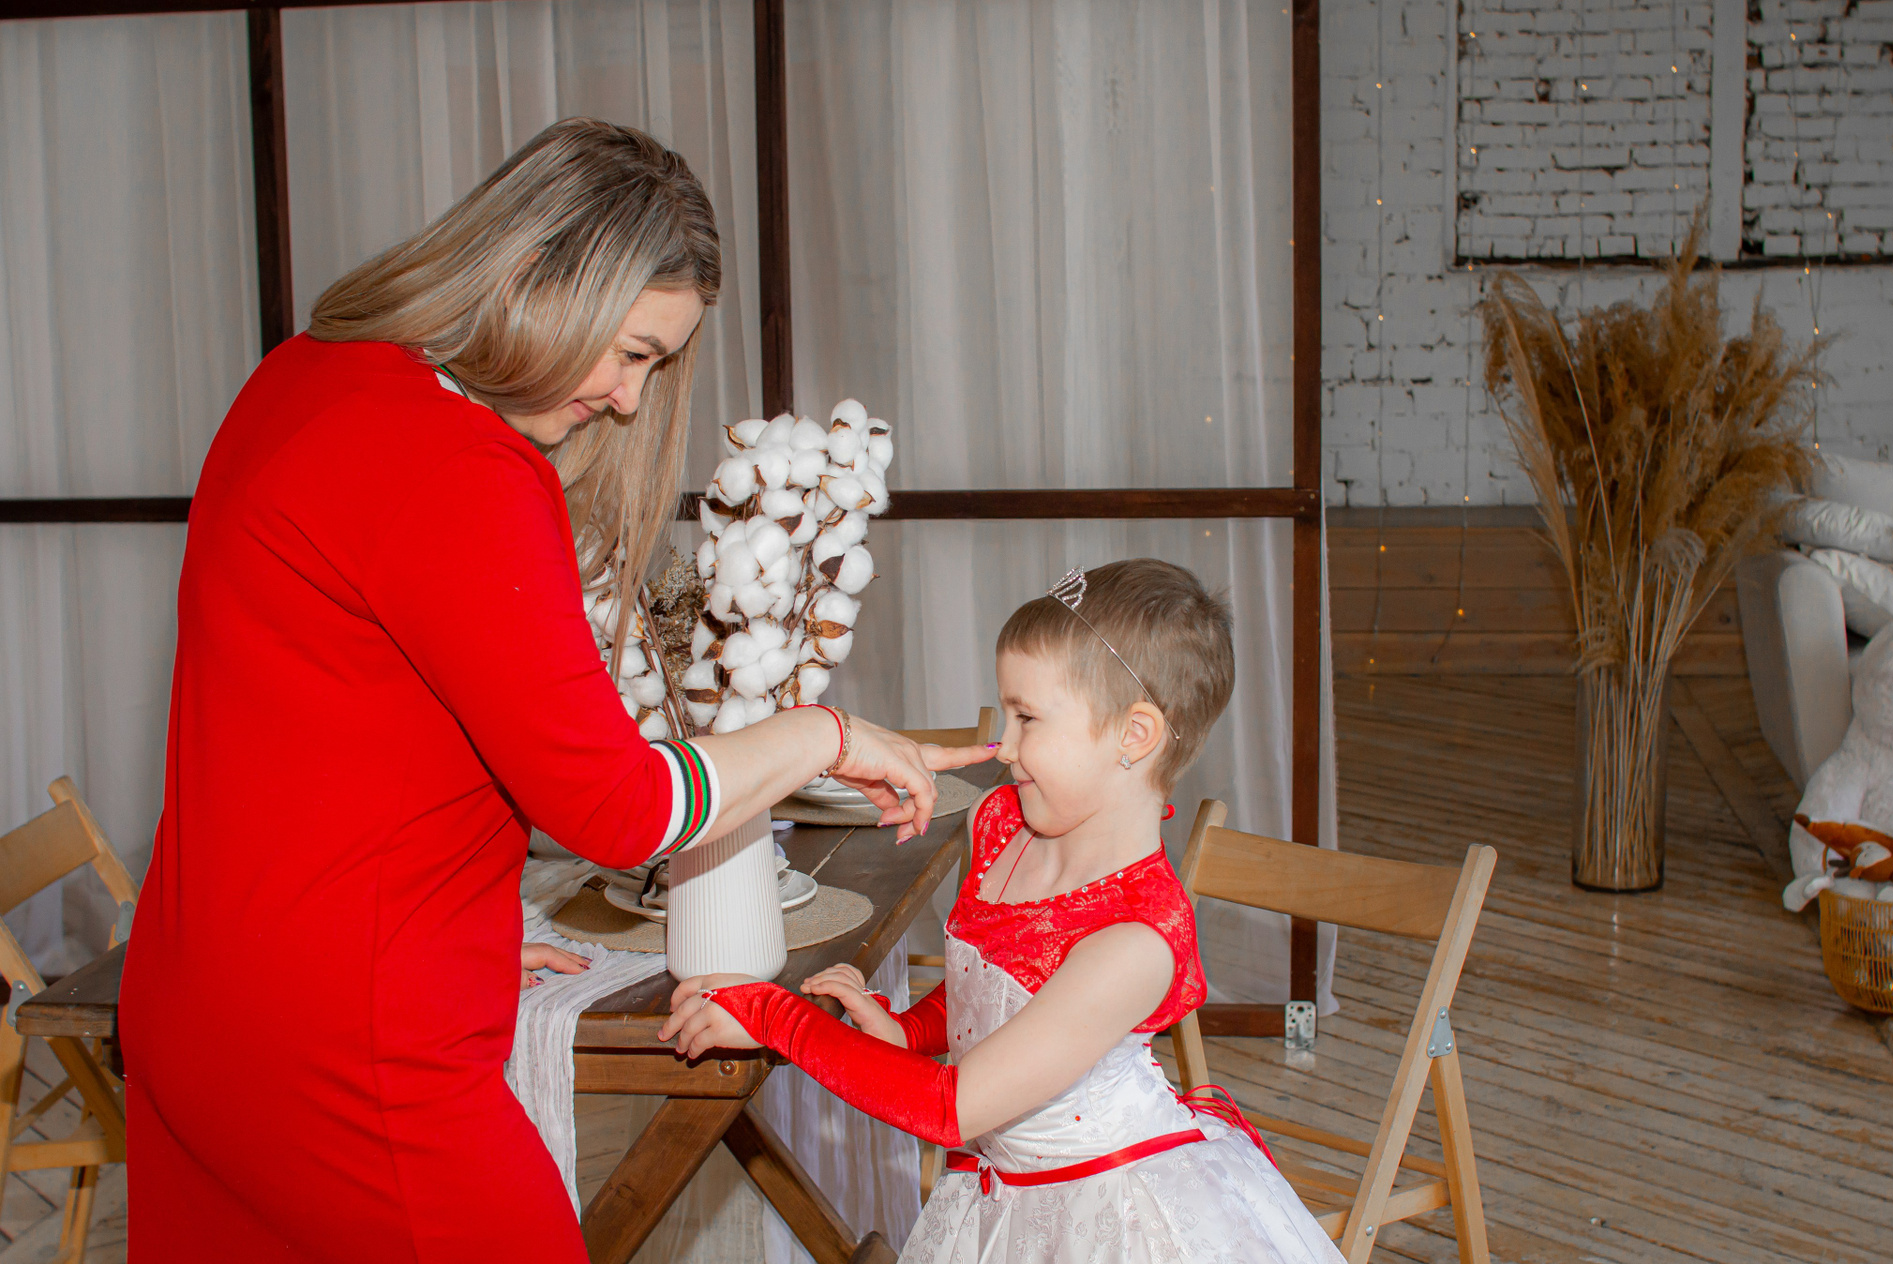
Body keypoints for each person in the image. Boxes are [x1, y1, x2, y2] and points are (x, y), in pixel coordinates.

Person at [118, 118, 992, 1263]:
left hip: (200, 990)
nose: (629, 398)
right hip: (341, 1045)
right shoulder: (460, 468)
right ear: (539, 275)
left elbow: (323, 730)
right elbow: (619, 807)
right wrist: (821, 734)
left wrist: (456, 926)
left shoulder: (306, 375)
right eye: (629, 352)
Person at [663, 559, 1344, 1262]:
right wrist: (907, 1032)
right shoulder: (999, 823)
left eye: (1027, 718)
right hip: (1000, 1192)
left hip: (1106, 1212)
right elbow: (995, 982)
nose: (1005, 748)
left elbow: (950, 1108)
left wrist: (772, 1016)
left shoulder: (1135, 942)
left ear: (1134, 736)